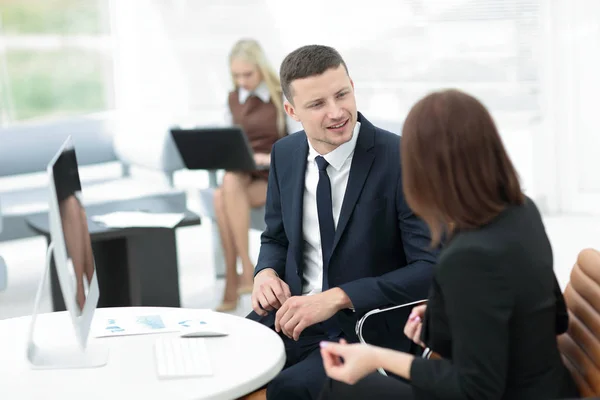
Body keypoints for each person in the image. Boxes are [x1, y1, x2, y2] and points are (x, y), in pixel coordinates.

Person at [318, 89, 580, 400]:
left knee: (341, 387)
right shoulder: (522, 209)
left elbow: (475, 390)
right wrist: (456, 310)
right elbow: (554, 316)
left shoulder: (468, 256)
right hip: (552, 385)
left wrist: (375, 357)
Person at [249, 44, 439, 400]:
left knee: (286, 388)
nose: (337, 112)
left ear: (352, 86)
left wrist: (338, 297)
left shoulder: (402, 159)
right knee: (226, 360)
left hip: (361, 326)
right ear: (292, 110)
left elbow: (430, 268)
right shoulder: (285, 154)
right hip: (289, 315)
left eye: (342, 94)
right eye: (317, 104)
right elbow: (275, 237)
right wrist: (265, 274)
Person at [215, 39, 294, 312]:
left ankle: (233, 282)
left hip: (274, 177)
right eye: (236, 75)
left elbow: (301, 147)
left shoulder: (281, 96)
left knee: (221, 197)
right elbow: (227, 140)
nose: (242, 81)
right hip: (242, 176)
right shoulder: (233, 98)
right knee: (225, 186)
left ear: (261, 68)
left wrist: (267, 158)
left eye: (247, 74)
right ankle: (246, 269)